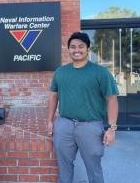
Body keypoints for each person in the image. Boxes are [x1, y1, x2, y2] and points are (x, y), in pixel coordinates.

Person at [47, 32, 119, 183]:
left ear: (88, 49)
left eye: (81, 46)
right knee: (64, 167)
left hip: (90, 126)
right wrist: (49, 121)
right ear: (68, 49)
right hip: (64, 125)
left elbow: (112, 100)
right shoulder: (60, 72)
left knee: (94, 169)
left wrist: (111, 129)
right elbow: (53, 96)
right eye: (73, 47)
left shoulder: (100, 73)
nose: (76, 50)